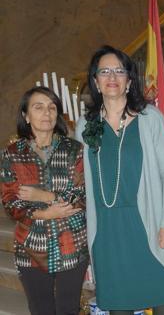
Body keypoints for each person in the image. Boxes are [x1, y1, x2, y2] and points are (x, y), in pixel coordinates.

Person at [76, 45, 164, 314]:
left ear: (129, 81)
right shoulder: (84, 126)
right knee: (118, 306)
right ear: (96, 81)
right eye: (104, 71)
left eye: (119, 70)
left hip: (148, 223)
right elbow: (76, 177)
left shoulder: (150, 119)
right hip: (107, 231)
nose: (112, 76)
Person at [0, 86, 88, 315]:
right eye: (38, 107)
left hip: (72, 242)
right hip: (31, 247)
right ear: (26, 116)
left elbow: (84, 196)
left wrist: (44, 197)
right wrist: (45, 213)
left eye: (52, 107)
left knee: (68, 309)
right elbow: (11, 202)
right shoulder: (12, 154)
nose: (46, 113)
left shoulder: (74, 150)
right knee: (41, 310)